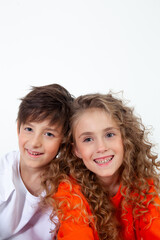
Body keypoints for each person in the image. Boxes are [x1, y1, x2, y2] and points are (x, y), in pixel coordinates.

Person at [42, 92, 160, 240]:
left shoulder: (143, 185)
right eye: (88, 139)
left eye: (109, 135)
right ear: (76, 150)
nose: (101, 147)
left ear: (125, 138)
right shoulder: (69, 191)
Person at [0, 83, 73, 240]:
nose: (34, 143)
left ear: (64, 140)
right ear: (18, 127)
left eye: (48, 134)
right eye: (29, 129)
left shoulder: (66, 187)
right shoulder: (3, 171)